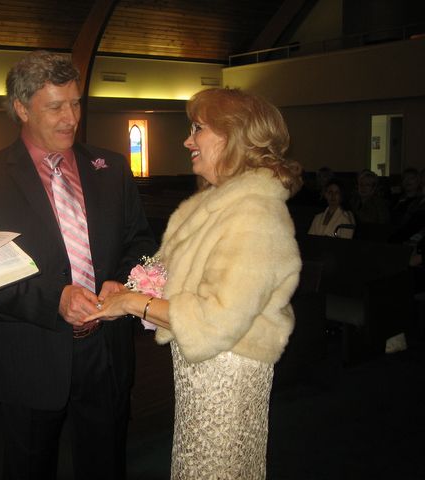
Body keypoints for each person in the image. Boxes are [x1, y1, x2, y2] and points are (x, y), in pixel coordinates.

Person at [86, 88, 302, 479]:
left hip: (227, 375)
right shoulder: (214, 204)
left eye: (198, 129)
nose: (188, 141)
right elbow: (175, 275)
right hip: (200, 372)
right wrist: (131, 288)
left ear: (233, 136)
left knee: (216, 467)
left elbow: (216, 319)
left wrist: (132, 303)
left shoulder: (253, 213)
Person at [0, 50, 156, 479]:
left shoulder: (110, 167)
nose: (71, 118)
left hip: (106, 348)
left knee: (105, 464)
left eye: (76, 103)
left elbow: (139, 240)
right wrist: (55, 299)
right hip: (32, 351)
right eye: (55, 107)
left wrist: (120, 282)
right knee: (29, 466)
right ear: (21, 109)